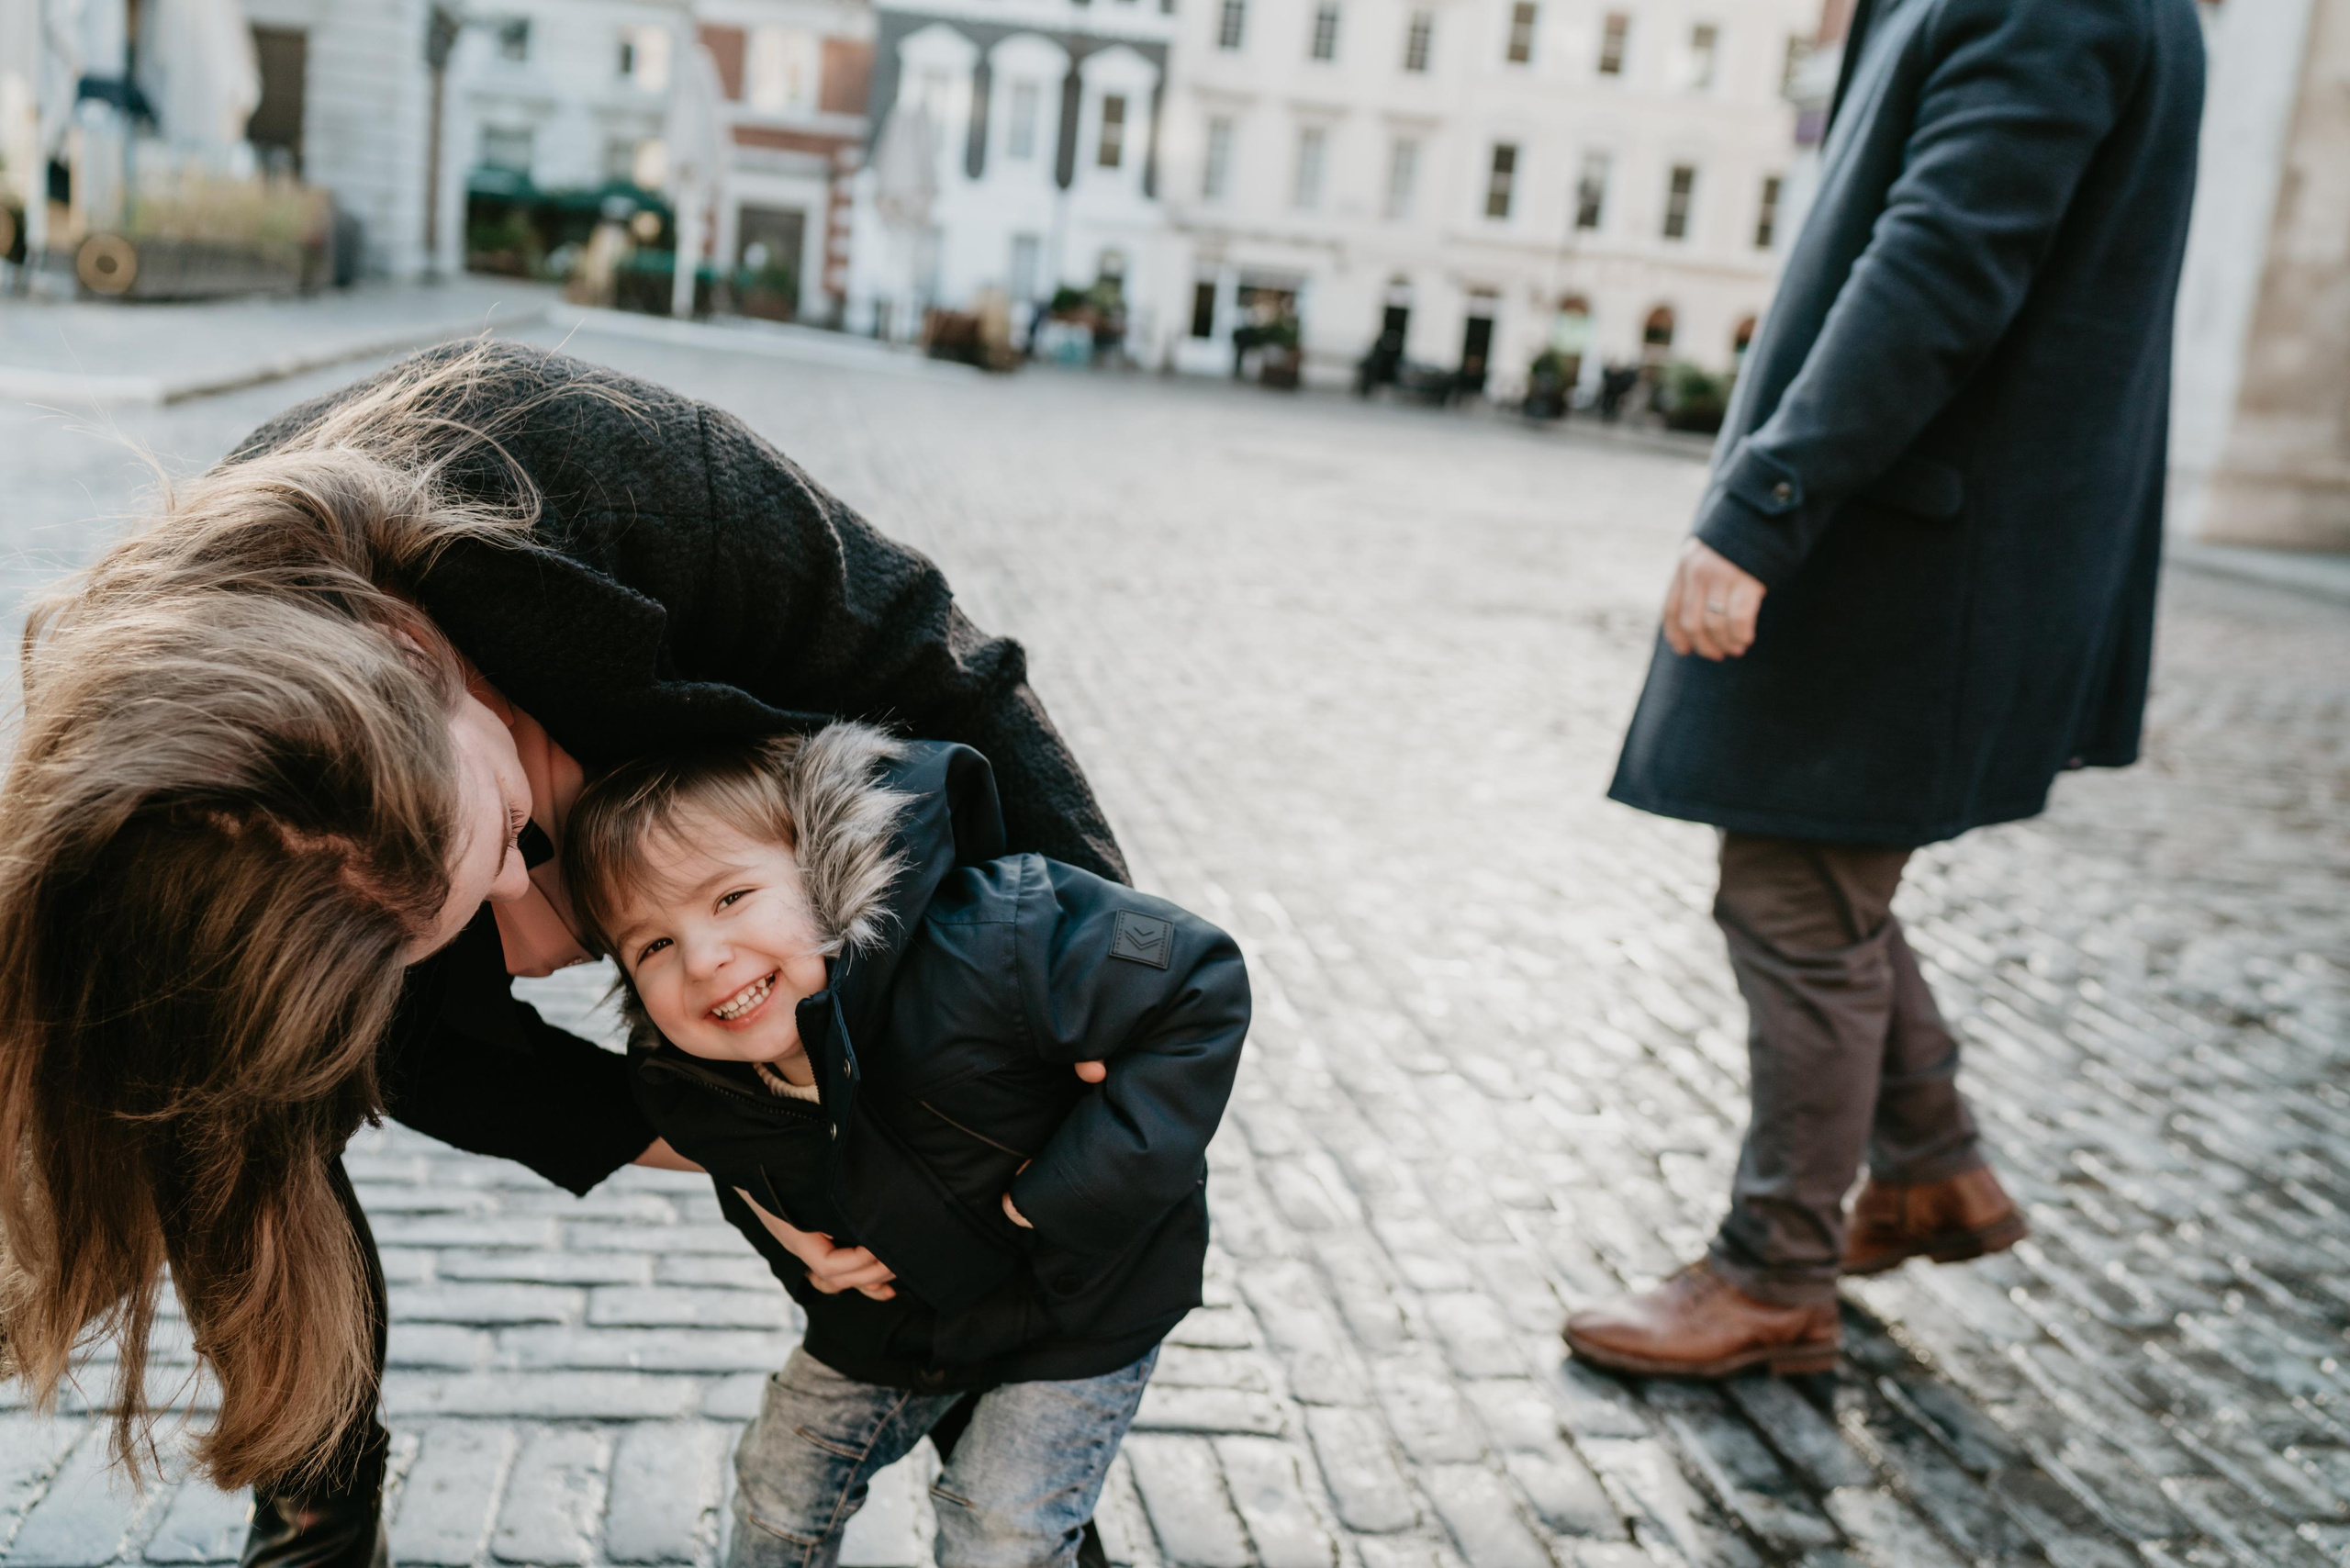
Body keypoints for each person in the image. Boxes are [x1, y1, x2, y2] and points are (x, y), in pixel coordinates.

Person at [0, 341, 1127, 1565]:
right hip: (275, 937)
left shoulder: (611, 470)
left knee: (918, 1169)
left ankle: (1031, 1509)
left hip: (688, 739)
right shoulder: (157, 839)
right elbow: (447, 1061)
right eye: (452, 923)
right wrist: (726, 1141)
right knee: (237, 1141)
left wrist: (1087, 998)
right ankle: (315, 1512)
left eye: (497, 837)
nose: (517, 918)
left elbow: (941, 670)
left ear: (410, 640)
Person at [1564, 0, 2205, 1378]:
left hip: (1907, 540)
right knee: (1827, 881)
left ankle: (1777, 1272)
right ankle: (1928, 1170)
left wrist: (1764, 506)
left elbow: (1940, 260)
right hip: (1937, 531)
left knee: (1795, 896)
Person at [560, 722, 1248, 1565]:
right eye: (653, 945)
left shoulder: (991, 936)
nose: (703, 957)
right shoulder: (692, 1080)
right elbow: (749, 1171)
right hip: (902, 1328)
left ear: (819, 871)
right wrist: (804, 1254)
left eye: (731, 898)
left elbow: (1196, 979)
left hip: (1089, 1300)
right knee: (778, 1485)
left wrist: (1074, 1190)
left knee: (998, 1521)